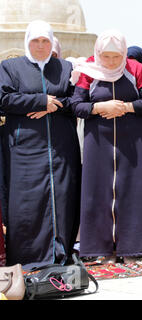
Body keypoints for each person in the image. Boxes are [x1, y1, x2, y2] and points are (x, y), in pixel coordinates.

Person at [70, 29, 142, 264]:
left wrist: (125, 107)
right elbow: (76, 105)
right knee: (99, 193)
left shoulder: (135, 69)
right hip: (99, 144)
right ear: (98, 53)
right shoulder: (88, 70)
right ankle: (101, 250)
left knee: (135, 192)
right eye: (106, 56)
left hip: (134, 142)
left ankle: (134, 248)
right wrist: (99, 107)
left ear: (124, 53)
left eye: (116, 56)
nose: (112, 61)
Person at [0, 20, 81, 269]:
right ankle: (28, 257)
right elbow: (4, 98)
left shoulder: (65, 68)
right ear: (27, 41)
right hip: (25, 150)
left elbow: (77, 100)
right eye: (35, 40)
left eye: (45, 40)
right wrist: (39, 100)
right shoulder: (10, 67)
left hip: (61, 149)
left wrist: (52, 106)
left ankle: (62, 253)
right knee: (26, 204)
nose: (40, 45)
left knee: (63, 198)